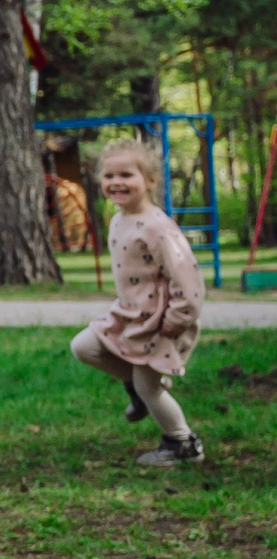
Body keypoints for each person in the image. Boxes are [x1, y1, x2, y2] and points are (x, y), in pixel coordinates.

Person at [71, 138, 206, 466]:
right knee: (84, 346)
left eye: (126, 175)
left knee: (151, 388)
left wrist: (178, 317)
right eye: (109, 176)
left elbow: (187, 279)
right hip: (130, 315)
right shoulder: (119, 219)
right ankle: (137, 386)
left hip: (160, 321)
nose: (116, 182)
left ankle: (182, 443)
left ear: (150, 181)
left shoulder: (159, 228)